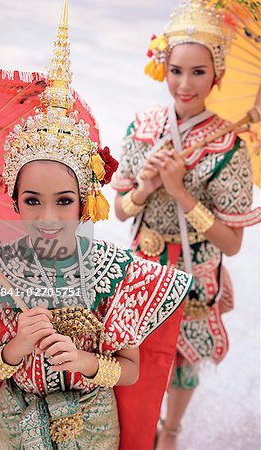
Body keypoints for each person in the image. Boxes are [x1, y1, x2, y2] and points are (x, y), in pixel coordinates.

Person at [0, 1, 193, 448]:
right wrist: (15, 349)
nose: (48, 218)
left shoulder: (114, 271)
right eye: (32, 201)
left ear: (85, 203)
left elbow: (132, 368)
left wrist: (86, 362)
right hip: (17, 422)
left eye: (63, 201)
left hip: (93, 424)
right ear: (14, 201)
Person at [113, 1, 260, 449]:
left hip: (195, 269)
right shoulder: (142, 128)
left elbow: (232, 243)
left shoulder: (229, 148)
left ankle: (171, 430)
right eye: (177, 69)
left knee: (181, 360)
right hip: (142, 261)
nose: (185, 83)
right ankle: (136, 423)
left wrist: (180, 193)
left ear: (216, 74)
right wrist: (144, 185)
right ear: (163, 67)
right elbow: (120, 210)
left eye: (199, 72)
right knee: (132, 351)